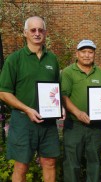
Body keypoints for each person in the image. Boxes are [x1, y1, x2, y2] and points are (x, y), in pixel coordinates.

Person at [0, 16, 62, 182]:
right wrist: (27, 109)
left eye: (40, 30)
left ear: (45, 33)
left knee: (49, 162)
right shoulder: (15, 59)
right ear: (25, 33)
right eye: (33, 30)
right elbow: (4, 93)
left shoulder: (52, 59)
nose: (37, 33)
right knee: (21, 166)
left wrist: (60, 107)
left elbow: (56, 90)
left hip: (48, 122)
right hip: (23, 121)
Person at [61, 39, 101, 182]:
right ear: (77, 54)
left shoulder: (100, 73)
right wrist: (77, 113)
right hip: (74, 126)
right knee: (72, 164)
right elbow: (63, 96)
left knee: (94, 162)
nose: (87, 55)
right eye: (83, 52)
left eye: (90, 52)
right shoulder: (68, 72)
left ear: (94, 54)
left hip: (95, 126)